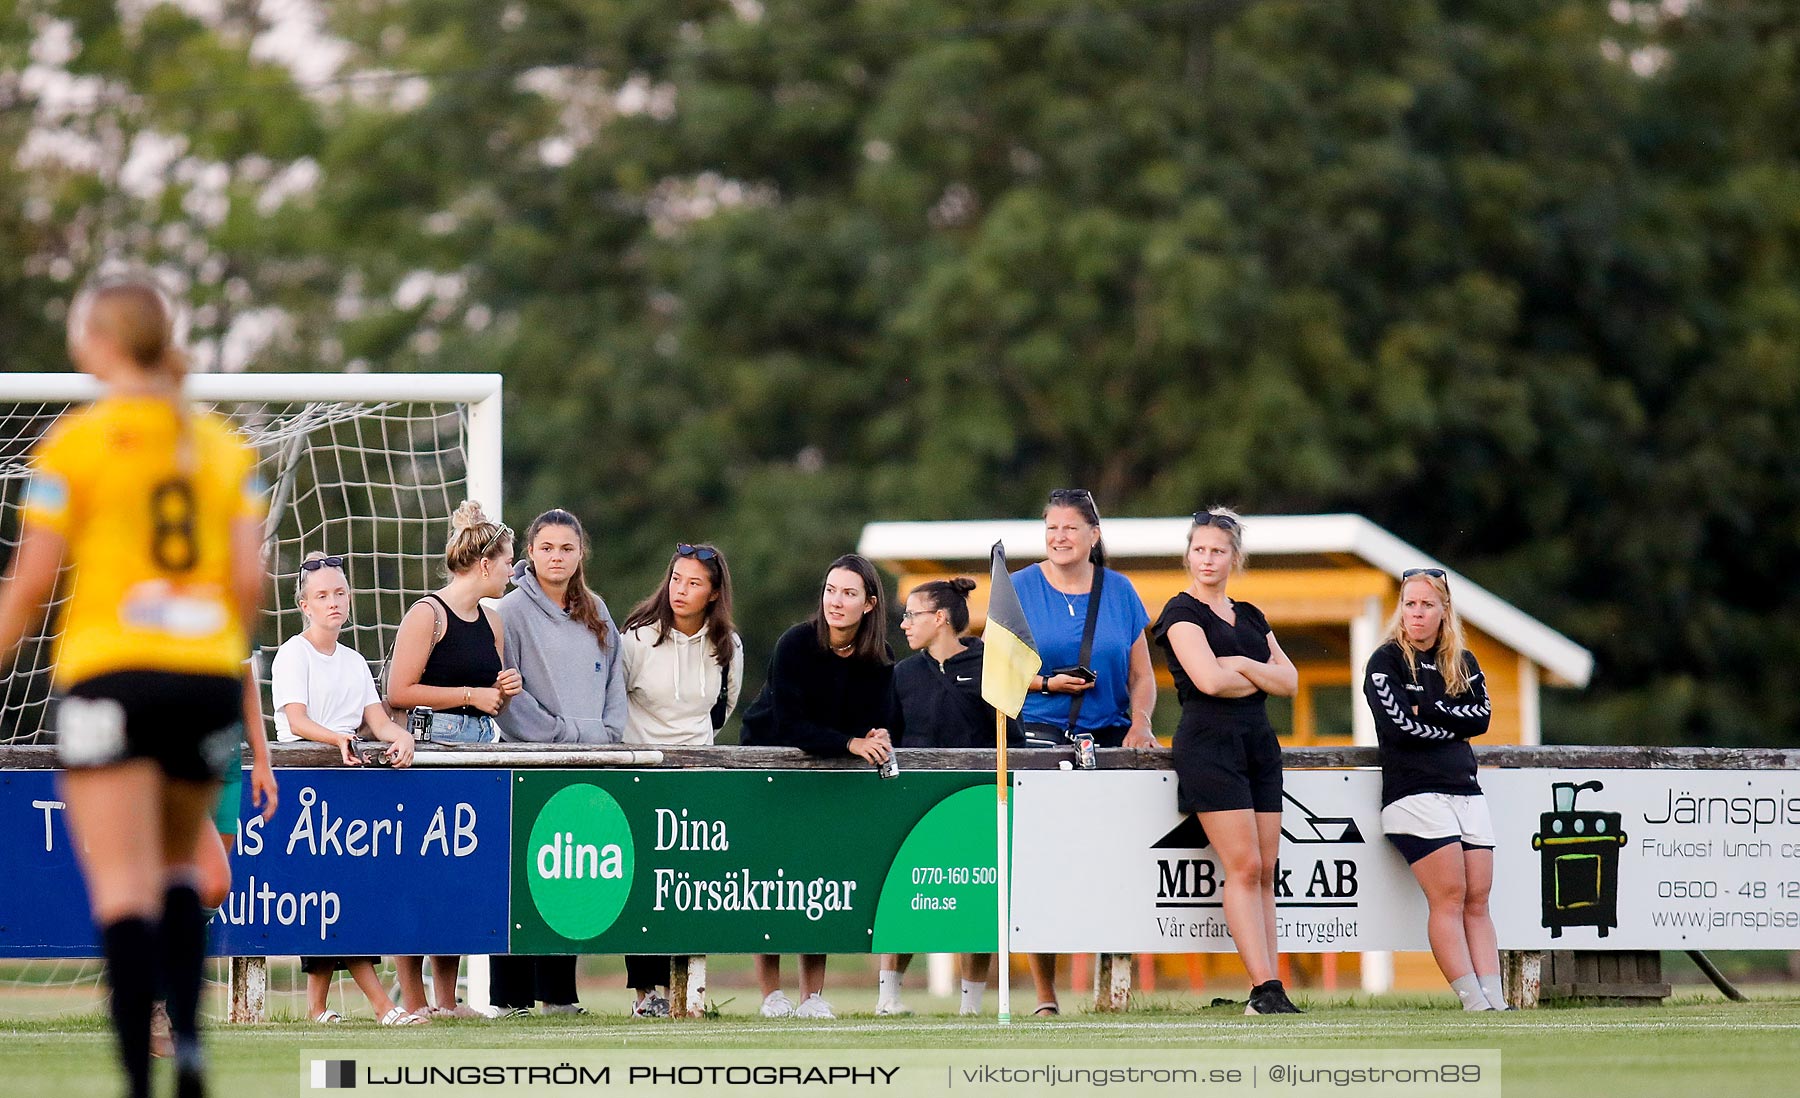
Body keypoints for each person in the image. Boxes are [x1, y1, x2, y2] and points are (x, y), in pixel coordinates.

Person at [0, 272, 276, 1098]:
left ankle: (136, 1076)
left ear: (98, 342)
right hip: (201, 680)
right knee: (182, 872)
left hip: (110, 676)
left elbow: (31, 590)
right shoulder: (226, 448)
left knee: (123, 885)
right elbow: (249, 587)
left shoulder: (74, 445)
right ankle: (190, 1047)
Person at [1012, 488, 1156, 1016]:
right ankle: (1046, 997)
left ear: (1093, 535)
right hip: (1041, 740)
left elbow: (1142, 675)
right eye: (1051, 528)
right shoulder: (1020, 587)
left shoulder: (1120, 591)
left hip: (1113, 740)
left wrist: (1141, 723)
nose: (1059, 537)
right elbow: (997, 675)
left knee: (1115, 864)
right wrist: (1049, 684)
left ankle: (1112, 990)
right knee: (1041, 866)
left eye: (1070, 528)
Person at [1151, 508, 1301, 1015]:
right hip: (1208, 745)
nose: (1207, 559)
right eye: (1199, 549)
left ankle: (1273, 985)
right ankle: (1263, 990)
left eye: (1217, 550)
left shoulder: (1253, 616)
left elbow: (1291, 683)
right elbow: (1208, 683)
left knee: (1266, 869)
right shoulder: (1180, 613)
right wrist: (1254, 672)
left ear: (1235, 557)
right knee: (1244, 865)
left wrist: (1237, 663)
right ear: (1188, 553)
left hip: (1259, 744)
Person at [739, 553, 894, 1020]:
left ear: (869, 604)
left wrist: (879, 736)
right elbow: (789, 725)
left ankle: (812, 997)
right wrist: (851, 742)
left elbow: (879, 724)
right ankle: (772, 996)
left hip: (828, 771)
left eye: (848, 593)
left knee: (816, 880)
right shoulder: (795, 644)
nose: (836, 601)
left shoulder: (879, 658)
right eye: (831, 590)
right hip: (771, 766)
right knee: (767, 881)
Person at [270, 551, 421, 1025]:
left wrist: (404, 738)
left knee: (337, 898)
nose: (332, 602)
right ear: (304, 604)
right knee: (335, 898)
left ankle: (316, 1009)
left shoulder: (354, 661)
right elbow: (295, 720)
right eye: (322, 595)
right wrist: (335, 736)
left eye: (339, 593)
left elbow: (377, 721)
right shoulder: (293, 654)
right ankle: (384, 1007)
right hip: (306, 790)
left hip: (350, 790)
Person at [385, 500, 521, 1018]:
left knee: (459, 878)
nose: (513, 572)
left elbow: (492, 696)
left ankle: (448, 1000)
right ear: (485, 564)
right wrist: (469, 693)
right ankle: (415, 1002)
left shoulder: (493, 622)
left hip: (480, 749)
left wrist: (505, 689)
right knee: (420, 877)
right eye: (508, 562)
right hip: (430, 749)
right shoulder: (428, 613)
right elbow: (399, 690)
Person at [490, 509, 625, 1018]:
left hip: (586, 762)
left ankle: (560, 996)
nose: (557, 556)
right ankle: (510, 1000)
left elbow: (615, 678)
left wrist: (606, 734)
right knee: (521, 879)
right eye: (547, 547)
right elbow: (507, 691)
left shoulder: (596, 609)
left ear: (580, 554)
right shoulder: (506, 611)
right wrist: (561, 734)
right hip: (529, 761)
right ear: (530, 553)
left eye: (567, 548)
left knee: (569, 877)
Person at [1362, 567, 1505, 1011]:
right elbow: (1401, 728)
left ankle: (1495, 1001)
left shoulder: (1463, 662)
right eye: (1410, 604)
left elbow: (1480, 718)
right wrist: (1451, 723)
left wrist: (1435, 709)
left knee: (1478, 898)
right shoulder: (1385, 661)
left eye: (1427, 604)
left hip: (1465, 789)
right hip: (1414, 793)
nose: (1417, 613)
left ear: (1445, 610)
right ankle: (1472, 1001)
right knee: (1450, 896)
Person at [619, 541, 744, 1017]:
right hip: (641, 774)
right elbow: (617, 700)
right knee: (642, 883)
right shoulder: (636, 637)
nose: (681, 590)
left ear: (713, 594)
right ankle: (644, 994)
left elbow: (721, 709)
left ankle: (687, 989)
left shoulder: (728, 645)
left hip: (695, 777)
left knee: (687, 884)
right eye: (676, 579)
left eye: (694, 583)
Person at [880, 577, 1013, 1018]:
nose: (903, 624)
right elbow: (891, 738)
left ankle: (971, 1006)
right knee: (907, 897)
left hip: (975, 805)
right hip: (914, 807)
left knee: (976, 902)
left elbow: (1012, 738)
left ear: (939, 618)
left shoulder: (991, 666)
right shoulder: (902, 674)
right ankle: (888, 998)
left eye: (911, 615)